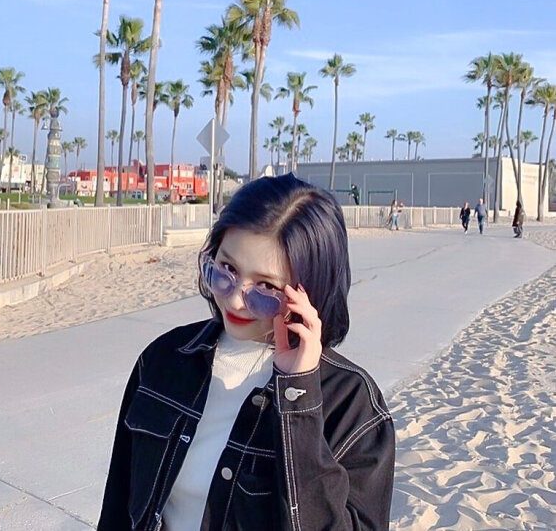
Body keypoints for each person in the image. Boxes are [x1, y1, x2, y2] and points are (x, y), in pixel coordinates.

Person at [98, 174, 395, 530]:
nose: (236, 299)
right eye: (227, 269)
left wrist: (298, 399)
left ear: (311, 292)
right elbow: (118, 507)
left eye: (265, 287)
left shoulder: (350, 402)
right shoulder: (163, 361)